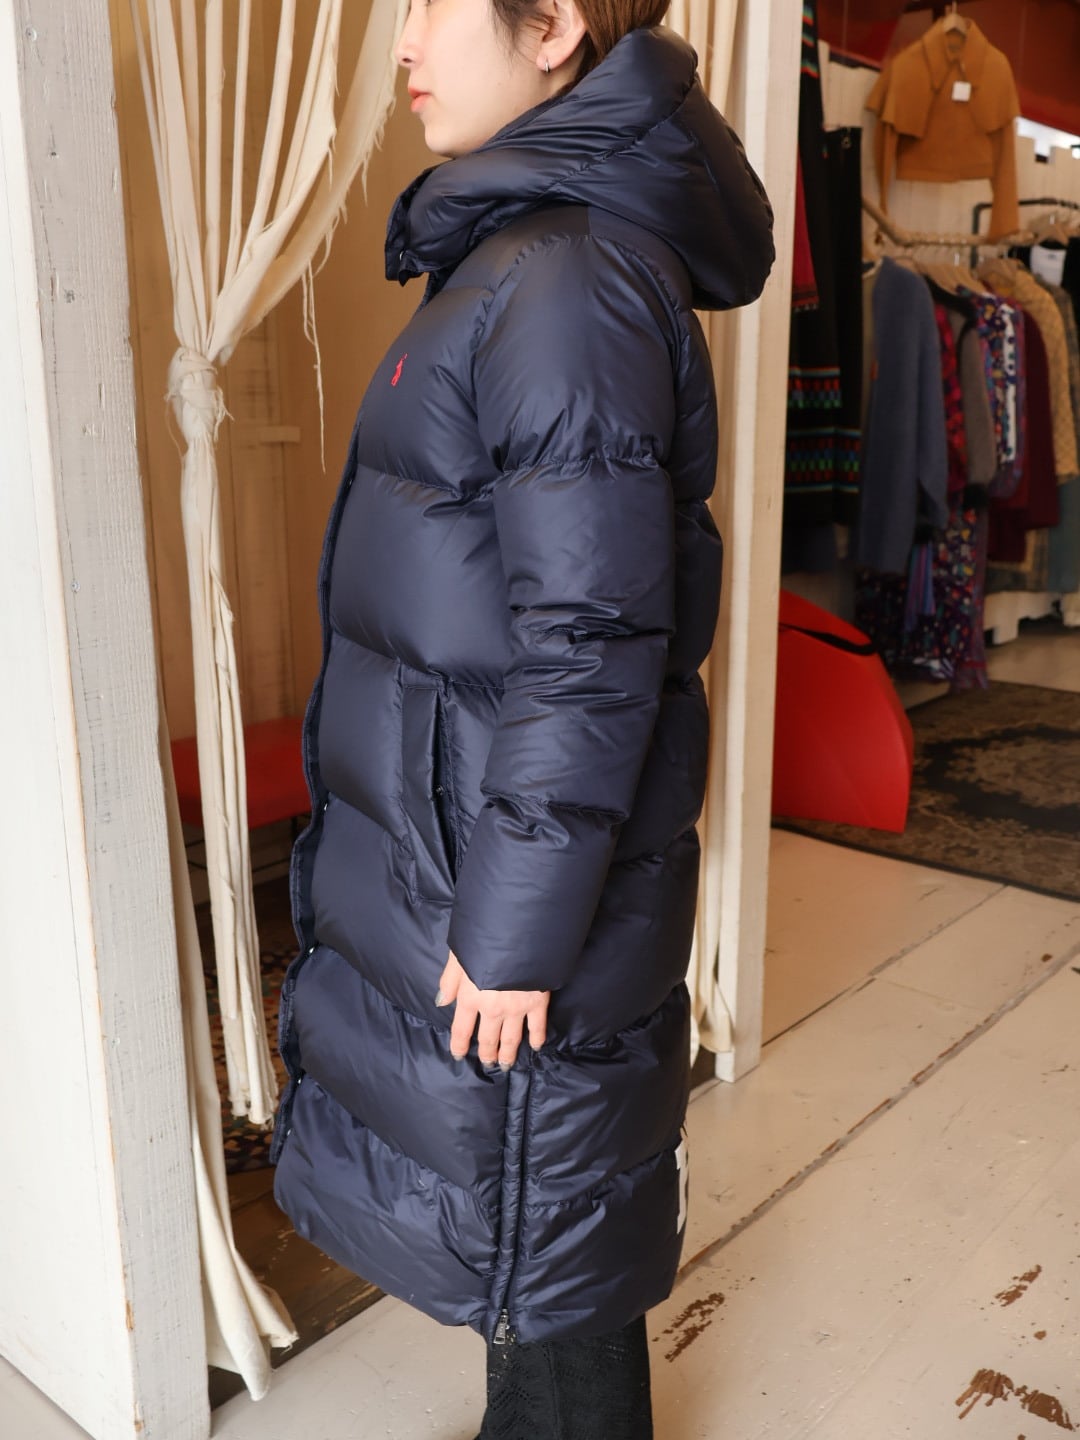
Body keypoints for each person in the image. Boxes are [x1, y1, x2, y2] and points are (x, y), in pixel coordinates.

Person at [268, 0, 774, 1434]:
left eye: (434, 4)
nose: (404, 44)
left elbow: (592, 641)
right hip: (484, 836)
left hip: (507, 869)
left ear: (550, 27)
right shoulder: (524, 256)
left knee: (545, 1203)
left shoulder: (565, 281)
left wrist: (512, 931)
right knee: (531, 1199)